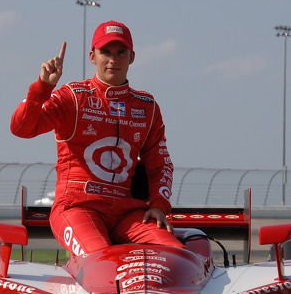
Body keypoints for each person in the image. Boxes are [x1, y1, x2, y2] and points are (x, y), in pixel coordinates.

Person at [10, 20, 184, 257]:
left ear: (132, 57)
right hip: (76, 207)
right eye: (106, 52)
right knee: (101, 258)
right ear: (93, 56)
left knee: (177, 256)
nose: (113, 59)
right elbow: (21, 128)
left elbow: (160, 164)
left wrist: (158, 206)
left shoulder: (147, 106)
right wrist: (41, 88)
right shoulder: (72, 96)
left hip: (127, 214)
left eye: (120, 52)